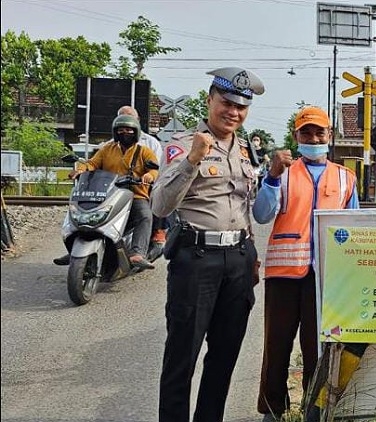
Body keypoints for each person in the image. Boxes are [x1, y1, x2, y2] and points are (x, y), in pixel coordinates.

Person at [151, 66, 265, 422]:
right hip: (196, 259)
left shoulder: (246, 151)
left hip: (238, 260)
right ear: (210, 100)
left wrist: (252, 255)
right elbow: (160, 205)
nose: (233, 112)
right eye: (226, 102)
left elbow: (245, 206)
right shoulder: (183, 145)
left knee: (224, 354)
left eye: (241, 107)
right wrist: (192, 160)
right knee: (181, 356)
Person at [253, 105, 359, 421]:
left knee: (318, 350)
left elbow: (355, 230)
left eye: (319, 132)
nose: (313, 137)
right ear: (296, 136)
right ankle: (271, 410)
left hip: (326, 277)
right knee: (276, 347)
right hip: (284, 275)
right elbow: (261, 214)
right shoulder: (281, 173)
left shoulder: (345, 178)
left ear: (330, 136)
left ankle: (314, 408)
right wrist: (272, 177)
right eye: (306, 132)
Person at [54, 114, 158, 270]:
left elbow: (154, 169)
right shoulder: (107, 149)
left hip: (135, 194)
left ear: (135, 132)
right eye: (121, 130)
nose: (125, 133)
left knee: (145, 216)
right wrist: (80, 170)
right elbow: (92, 164)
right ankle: (74, 250)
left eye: (129, 130)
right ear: (115, 133)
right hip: (108, 193)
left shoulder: (144, 151)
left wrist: (148, 176)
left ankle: (138, 253)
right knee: (82, 214)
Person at [116, 105, 168, 257]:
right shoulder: (109, 145)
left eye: (130, 118)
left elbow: (157, 168)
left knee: (157, 193)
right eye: (122, 119)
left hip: (140, 189)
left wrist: (149, 176)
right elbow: (94, 163)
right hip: (113, 189)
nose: (126, 128)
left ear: (137, 121)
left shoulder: (150, 144)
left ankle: (157, 232)